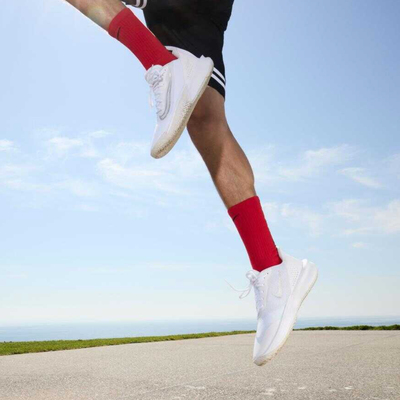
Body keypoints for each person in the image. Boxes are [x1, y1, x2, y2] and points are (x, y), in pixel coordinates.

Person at [64, 0, 318, 366]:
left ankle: (160, 62)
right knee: (205, 121)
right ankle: (272, 268)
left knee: (202, 116)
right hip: (191, 14)